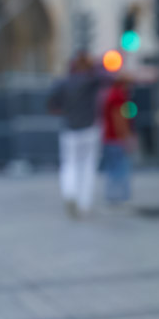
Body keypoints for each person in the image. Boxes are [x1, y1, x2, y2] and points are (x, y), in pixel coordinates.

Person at [48, 53, 105, 217]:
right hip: (89, 129)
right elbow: (107, 76)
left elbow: (51, 102)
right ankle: (84, 204)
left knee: (69, 165)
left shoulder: (64, 83)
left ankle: (70, 193)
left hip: (70, 130)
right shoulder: (91, 81)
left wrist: (63, 111)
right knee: (88, 167)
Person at [100, 79, 136, 205]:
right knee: (119, 168)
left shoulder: (111, 94)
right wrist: (125, 137)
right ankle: (118, 197)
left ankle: (114, 196)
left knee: (113, 168)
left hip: (110, 138)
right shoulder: (118, 95)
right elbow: (118, 118)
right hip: (115, 139)